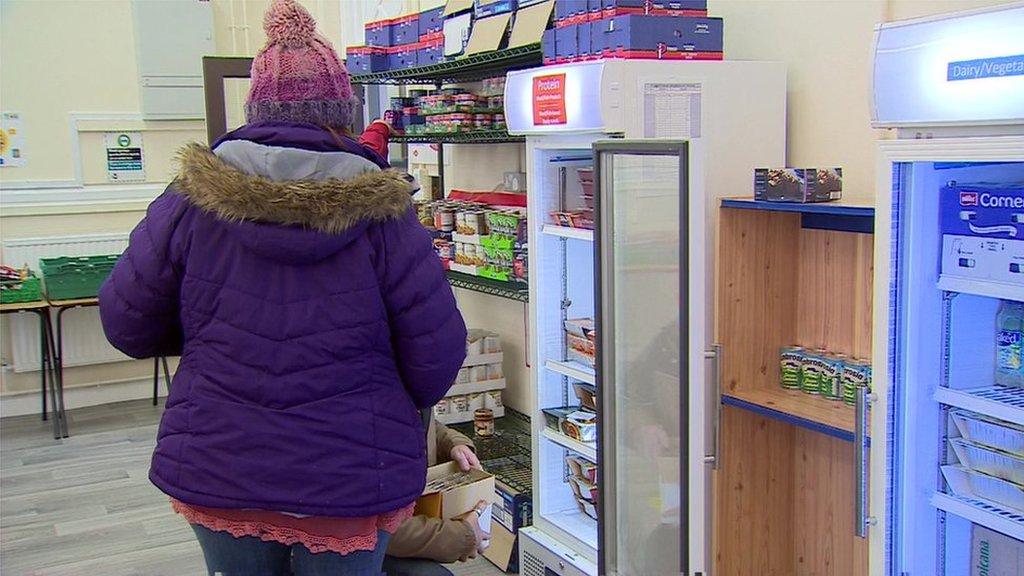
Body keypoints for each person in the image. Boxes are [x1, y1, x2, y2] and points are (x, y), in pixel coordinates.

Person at [98, 1, 467, 574]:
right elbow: (436, 359)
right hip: (350, 471)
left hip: (219, 461)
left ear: (254, 109)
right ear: (342, 114)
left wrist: (209, 334)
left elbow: (126, 322)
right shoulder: (386, 214)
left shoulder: (188, 201)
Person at [383, 419, 490, 576]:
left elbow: (424, 422)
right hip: (356, 549)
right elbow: (384, 529)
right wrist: (462, 535)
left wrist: (454, 444)